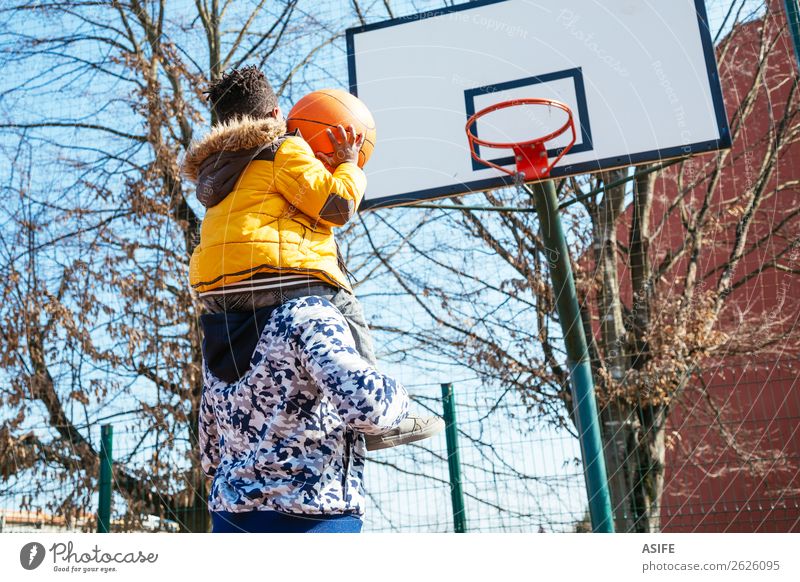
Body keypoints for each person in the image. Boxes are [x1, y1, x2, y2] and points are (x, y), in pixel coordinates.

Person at [182, 65, 443, 450]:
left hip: (220, 291)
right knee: (346, 310)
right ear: (275, 116)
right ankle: (378, 415)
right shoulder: (281, 148)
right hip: (279, 273)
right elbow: (335, 205)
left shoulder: (216, 171)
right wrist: (349, 166)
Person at [199, 295, 409, 532]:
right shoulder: (307, 315)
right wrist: (401, 398)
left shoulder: (218, 337)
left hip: (231, 520)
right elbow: (372, 409)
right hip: (314, 517)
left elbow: (210, 457)